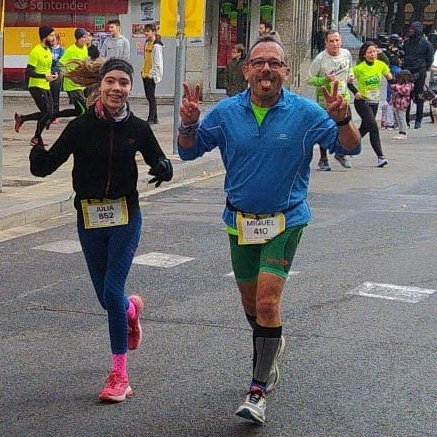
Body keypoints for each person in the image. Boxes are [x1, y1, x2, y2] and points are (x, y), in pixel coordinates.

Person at [178, 36, 361, 424]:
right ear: (246, 70)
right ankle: (271, 344)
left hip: (285, 220)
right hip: (240, 222)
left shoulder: (306, 113)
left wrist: (343, 119)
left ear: (286, 72)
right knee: (252, 306)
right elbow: (189, 150)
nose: (266, 69)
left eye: (274, 63)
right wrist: (189, 124)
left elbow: (350, 148)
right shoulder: (226, 112)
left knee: (266, 302)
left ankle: (257, 389)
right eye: (259, 62)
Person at [29, 58, 173, 402]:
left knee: (111, 290)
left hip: (126, 217)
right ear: (100, 85)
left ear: (130, 88)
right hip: (89, 219)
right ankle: (131, 310)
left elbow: (159, 161)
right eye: (111, 81)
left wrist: (164, 168)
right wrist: (37, 152)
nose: (117, 88)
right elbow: (46, 167)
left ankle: (120, 375)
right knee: (107, 299)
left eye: (124, 82)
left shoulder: (137, 128)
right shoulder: (80, 128)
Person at [308, 30, 354, 170]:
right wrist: (324, 80)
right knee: (326, 129)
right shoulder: (320, 59)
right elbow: (309, 80)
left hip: (343, 98)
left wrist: (350, 76)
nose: (335, 44)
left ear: (341, 41)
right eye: (331, 41)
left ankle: (340, 153)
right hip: (325, 101)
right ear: (326, 43)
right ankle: (323, 159)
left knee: (345, 127)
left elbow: (350, 69)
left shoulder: (346, 54)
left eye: (337, 40)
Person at [348, 41, 393, 167]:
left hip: (374, 102)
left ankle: (346, 147)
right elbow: (348, 82)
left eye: (374, 51)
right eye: (369, 52)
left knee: (365, 128)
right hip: (362, 101)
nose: (372, 54)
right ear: (364, 54)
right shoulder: (359, 68)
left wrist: (398, 82)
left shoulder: (381, 65)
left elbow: (390, 78)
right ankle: (380, 157)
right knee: (373, 126)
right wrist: (355, 92)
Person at [14, 26, 58, 146]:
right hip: (36, 86)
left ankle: (22, 118)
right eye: (51, 36)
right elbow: (29, 71)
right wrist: (44, 76)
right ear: (44, 37)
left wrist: (54, 74)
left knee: (50, 113)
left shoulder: (48, 50)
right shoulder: (36, 51)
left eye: (54, 35)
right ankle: (36, 138)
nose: (54, 38)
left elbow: (47, 68)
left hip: (46, 86)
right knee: (46, 112)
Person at [402, 22, 434, 129]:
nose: (410, 31)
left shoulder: (426, 44)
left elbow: (430, 59)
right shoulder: (407, 43)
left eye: (412, 29)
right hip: (407, 72)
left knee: (420, 96)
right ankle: (406, 120)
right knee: (407, 95)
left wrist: (424, 68)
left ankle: (418, 120)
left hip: (420, 71)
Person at [54, 28, 90, 121]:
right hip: (72, 85)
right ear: (78, 38)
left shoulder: (85, 48)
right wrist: (67, 74)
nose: (86, 39)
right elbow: (59, 65)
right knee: (84, 109)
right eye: (84, 37)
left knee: (79, 110)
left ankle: (53, 115)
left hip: (81, 84)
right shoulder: (70, 50)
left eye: (87, 37)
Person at [141, 23, 164, 124]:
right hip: (145, 73)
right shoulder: (147, 43)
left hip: (151, 74)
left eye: (148, 31)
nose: (146, 33)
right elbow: (146, 58)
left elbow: (157, 62)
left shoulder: (156, 45)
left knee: (151, 97)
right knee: (149, 96)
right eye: (145, 31)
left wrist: (152, 74)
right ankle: (155, 118)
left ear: (153, 32)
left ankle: (151, 118)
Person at [390, 70, 414, 140]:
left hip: (403, 103)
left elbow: (404, 91)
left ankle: (403, 133)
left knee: (402, 118)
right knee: (398, 117)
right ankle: (400, 131)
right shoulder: (400, 84)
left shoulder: (409, 85)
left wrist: (395, 87)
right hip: (397, 103)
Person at [50, 33, 65, 122]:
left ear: (57, 40)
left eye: (54, 39)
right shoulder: (47, 49)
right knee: (48, 97)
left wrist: (55, 71)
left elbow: (60, 62)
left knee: (55, 96)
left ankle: (55, 116)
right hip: (47, 74)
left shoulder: (61, 50)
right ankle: (48, 114)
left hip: (57, 75)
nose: (52, 41)